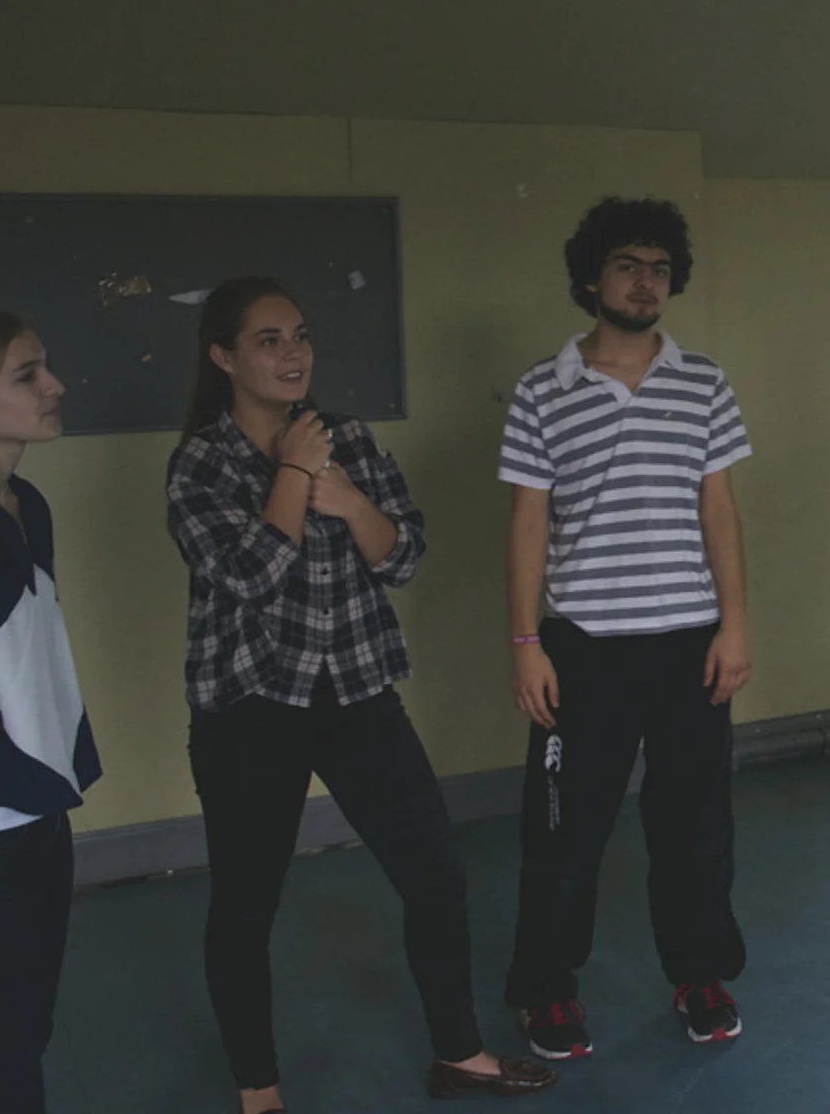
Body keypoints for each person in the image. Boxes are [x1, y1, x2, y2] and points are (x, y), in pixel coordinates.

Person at [167, 279, 555, 1113]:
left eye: (300, 335)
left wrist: (344, 497)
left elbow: (404, 556)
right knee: (246, 907)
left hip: (356, 690)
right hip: (250, 708)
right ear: (223, 356)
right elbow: (251, 574)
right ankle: (260, 1093)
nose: (293, 353)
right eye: (269, 340)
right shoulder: (202, 462)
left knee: (436, 876)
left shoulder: (348, 438)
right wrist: (295, 472)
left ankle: (460, 1054)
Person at [499, 198, 753, 1057]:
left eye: (658, 268)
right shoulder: (543, 389)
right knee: (564, 836)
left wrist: (734, 626)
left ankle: (699, 974)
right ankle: (546, 991)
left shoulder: (703, 381)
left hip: (690, 645)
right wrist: (526, 644)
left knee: (695, 831)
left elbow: (719, 511)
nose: (645, 282)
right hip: (583, 652)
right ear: (591, 279)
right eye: (627, 266)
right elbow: (528, 523)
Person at [0, 311, 99, 1114]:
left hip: (38, 798)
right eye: (26, 375)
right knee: (1, 1042)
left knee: (25, 1024)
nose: (53, 386)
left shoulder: (27, 503)